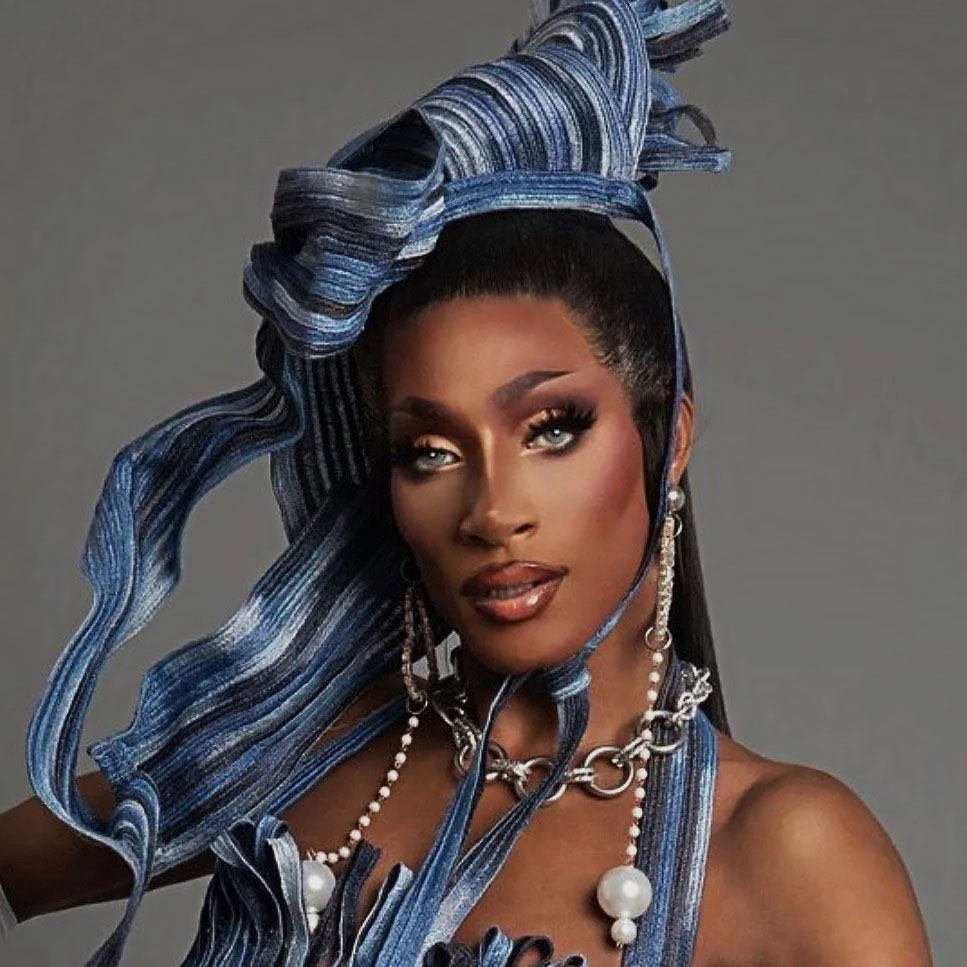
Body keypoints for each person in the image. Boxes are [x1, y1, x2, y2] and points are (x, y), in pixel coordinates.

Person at [0, 2, 931, 965]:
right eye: (430, 451)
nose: (492, 512)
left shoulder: (786, 851)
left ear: (670, 437)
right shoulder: (298, 754)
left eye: (552, 429)